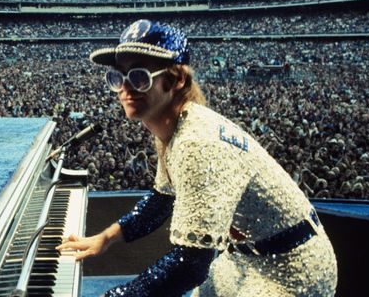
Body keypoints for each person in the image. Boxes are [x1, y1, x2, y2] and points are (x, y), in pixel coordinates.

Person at [57, 20, 337, 296]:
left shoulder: (196, 142)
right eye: (118, 77)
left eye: (139, 76)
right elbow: (162, 199)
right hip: (243, 258)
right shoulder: (173, 126)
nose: (125, 89)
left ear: (176, 79)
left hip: (293, 269)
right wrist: (105, 239)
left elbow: (189, 265)